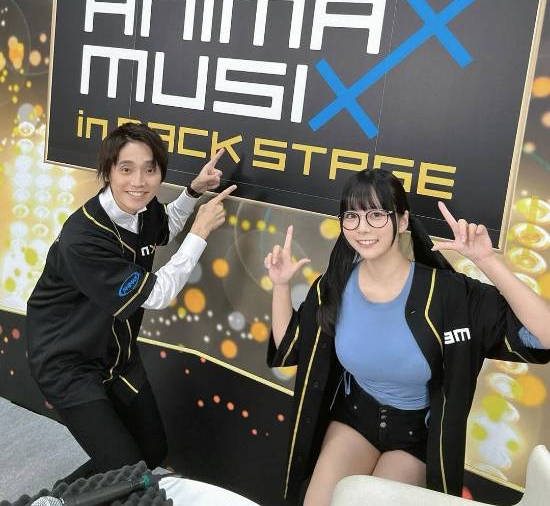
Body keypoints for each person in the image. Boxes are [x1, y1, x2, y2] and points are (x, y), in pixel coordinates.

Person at [265, 168, 550, 506]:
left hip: (417, 435)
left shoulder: (448, 294)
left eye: (376, 214)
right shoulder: (334, 284)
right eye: (352, 216)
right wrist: (281, 285)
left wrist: (487, 261)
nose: (363, 227)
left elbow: (543, 336)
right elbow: (290, 347)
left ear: (401, 221)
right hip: (355, 418)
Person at [26, 122, 236, 483]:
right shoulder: (83, 239)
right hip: (68, 363)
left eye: (149, 169)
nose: (138, 181)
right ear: (108, 171)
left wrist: (192, 191)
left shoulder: (141, 206)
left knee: (151, 452)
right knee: (129, 473)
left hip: (116, 355)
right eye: (126, 169)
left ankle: (68, 493)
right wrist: (200, 232)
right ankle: (58, 499)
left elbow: (164, 226)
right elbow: (156, 295)